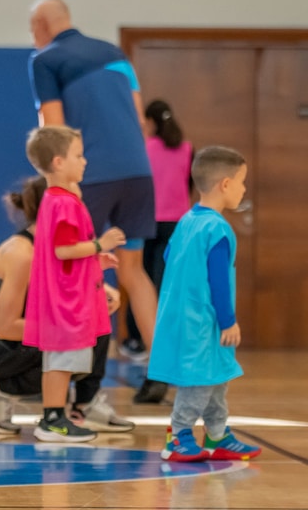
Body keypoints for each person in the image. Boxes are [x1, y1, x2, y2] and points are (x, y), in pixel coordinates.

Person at [28, 0, 168, 404]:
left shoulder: (45, 61)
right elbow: (139, 117)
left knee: (74, 268)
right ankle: (159, 371)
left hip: (93, 173)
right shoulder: (114, 52)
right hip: (139, 172)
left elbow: (52, 131)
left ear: (41, 26)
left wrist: (61, 187)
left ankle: (77, 384)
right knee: (134, 271)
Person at [0, 177, 124, 435]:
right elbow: (5, 327)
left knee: (94, 315)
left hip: (29, 337)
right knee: (73, 329)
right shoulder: (21, 254)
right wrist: (65, 326)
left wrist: (98, 289)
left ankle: (84, 404)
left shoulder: (63, 248)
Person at [148, 146, 261, 462]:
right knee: (200, 381)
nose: (243, 190)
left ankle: (217, 434)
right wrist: (228, 320)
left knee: (215, 377)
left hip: (183, 315)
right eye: (241, 182)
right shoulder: (218, 228)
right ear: (225, 184)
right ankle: (178, 435)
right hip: (205, 320)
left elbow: (170, 258)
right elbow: (219, 281)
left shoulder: (186, 221)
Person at [23, 126, 125, 443]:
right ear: (58, 162)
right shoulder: (63, 203)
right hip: (65, 301)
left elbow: (66, 253)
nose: (84, 162)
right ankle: (52, 419)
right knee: (61, 361)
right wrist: (100, 245)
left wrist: (95, 261)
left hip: (68, 295)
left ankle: (56, 417)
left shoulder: (59, 199)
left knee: (63, 360)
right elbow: (63, 249)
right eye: (78, 156)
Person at [121, 99, 193, 359]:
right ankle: (164, 340)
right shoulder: (186, 148)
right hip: (175, 223)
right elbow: (188, 185)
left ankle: (136, 340)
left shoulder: (144, 148)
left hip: (146, 219)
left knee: (139, 277)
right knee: (163, 283)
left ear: (150, 122)